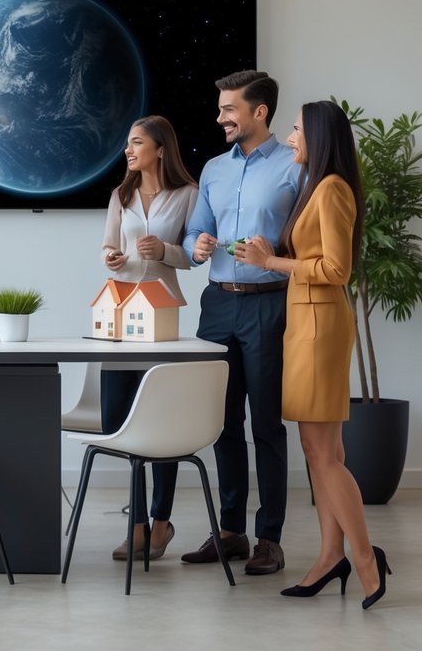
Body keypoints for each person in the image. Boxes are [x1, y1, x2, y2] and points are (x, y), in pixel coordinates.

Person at [235, 101, 389, 608]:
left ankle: (366, 561)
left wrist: (270, 260)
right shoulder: (315, 187)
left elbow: (338, 270)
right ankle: (329, 557)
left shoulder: (332, 189)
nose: (292, 137)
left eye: (298, 129)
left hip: (321, 327)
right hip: (308, 325)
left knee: (322, 456)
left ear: (319, 136)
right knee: (322, 454)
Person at [181, 70, 301, 575]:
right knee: (222, 423)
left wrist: (275, 254)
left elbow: (308, 242)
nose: (220, 116)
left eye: (229, 108)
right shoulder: (212, 169)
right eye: (220, 107)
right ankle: (230, 531)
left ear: (259, 112)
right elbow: (192, 236)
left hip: (270, 303)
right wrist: (198, 245)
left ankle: (269, 538)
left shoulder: (295, 167)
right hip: (218, 303)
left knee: (267, 424)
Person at [98, 115, 198, 562]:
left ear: (160, 148)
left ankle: (161, 523)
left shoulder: (188, 195)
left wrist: (166, 252)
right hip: (121, 318)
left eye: (136, 142)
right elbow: (106, 248)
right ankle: (135, 526)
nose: (128, 150)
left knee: (163, 428)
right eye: (127, 143)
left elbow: (193, 256)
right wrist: (113, 259)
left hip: (162, 324)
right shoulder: (121, 196)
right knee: (119, 423)